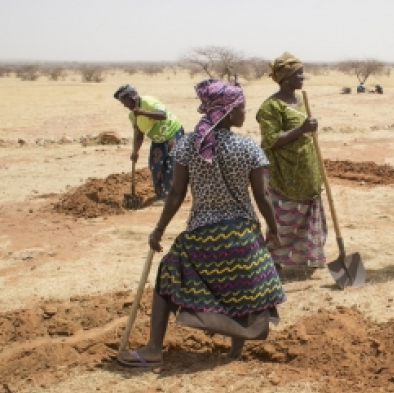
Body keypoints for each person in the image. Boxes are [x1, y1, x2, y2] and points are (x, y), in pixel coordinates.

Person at [117, 79, 285, 367]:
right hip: (242, 234)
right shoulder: (248, 148)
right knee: (240, 283)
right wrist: (273, 229)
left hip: (201, 235)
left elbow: (175, 194)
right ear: (228, 112)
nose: (245, 113)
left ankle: (154, 347)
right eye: (241, 108)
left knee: (168, 273)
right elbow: (262, 196)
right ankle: (235, 349)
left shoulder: (187, 146)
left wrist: (159, 229)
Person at [256, 52, 327, 270]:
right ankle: (276, 261)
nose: (303, 77)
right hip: (284, 173)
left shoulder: (299, 101)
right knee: (284, 218)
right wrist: (302, 129)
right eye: (299, 74)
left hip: (306, 170)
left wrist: (309, 129)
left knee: (306, 215)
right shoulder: (270, 107)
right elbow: (271, 140)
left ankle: (304, 258)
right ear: (286, 78)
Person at [114, 85, 184, 205]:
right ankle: (160, 194)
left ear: (132, 97)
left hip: (173, 133)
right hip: (157, 139)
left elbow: (163, 115)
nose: (125, 106)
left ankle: (168, 196)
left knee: (171, 165)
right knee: (155, 165)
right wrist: (135, 152)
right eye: (123, 104)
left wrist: (141, 112)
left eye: (125, 102)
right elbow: (138, 134)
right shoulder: (132, 116)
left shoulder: (148, 101)